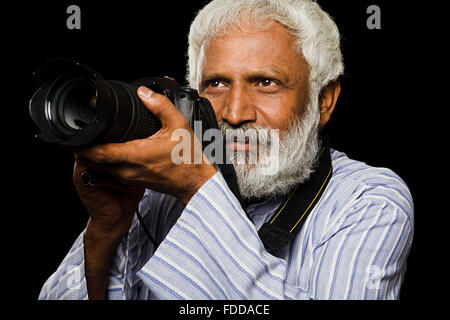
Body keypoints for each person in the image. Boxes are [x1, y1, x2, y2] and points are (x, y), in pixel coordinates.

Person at [38, 0, 413, 300]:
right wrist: (104, 231)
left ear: (324, 101)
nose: (234, 114)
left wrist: (198, 188)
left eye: (266, 82)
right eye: (216, 83)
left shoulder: (368, 200)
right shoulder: (154, 191)